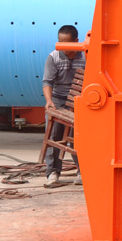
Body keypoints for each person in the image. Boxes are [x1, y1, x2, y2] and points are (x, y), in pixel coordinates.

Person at [42, 25, 86, 187]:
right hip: (58, 101)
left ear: (76, 41)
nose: (63, 47)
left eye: (67, 43)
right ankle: (53, 173)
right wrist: (49, 101)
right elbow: (47, 82)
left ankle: (82, 171)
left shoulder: (86, 56)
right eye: (60, 42)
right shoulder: (53, 57)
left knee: (79, 138)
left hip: (79, 102)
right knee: (54, 136)